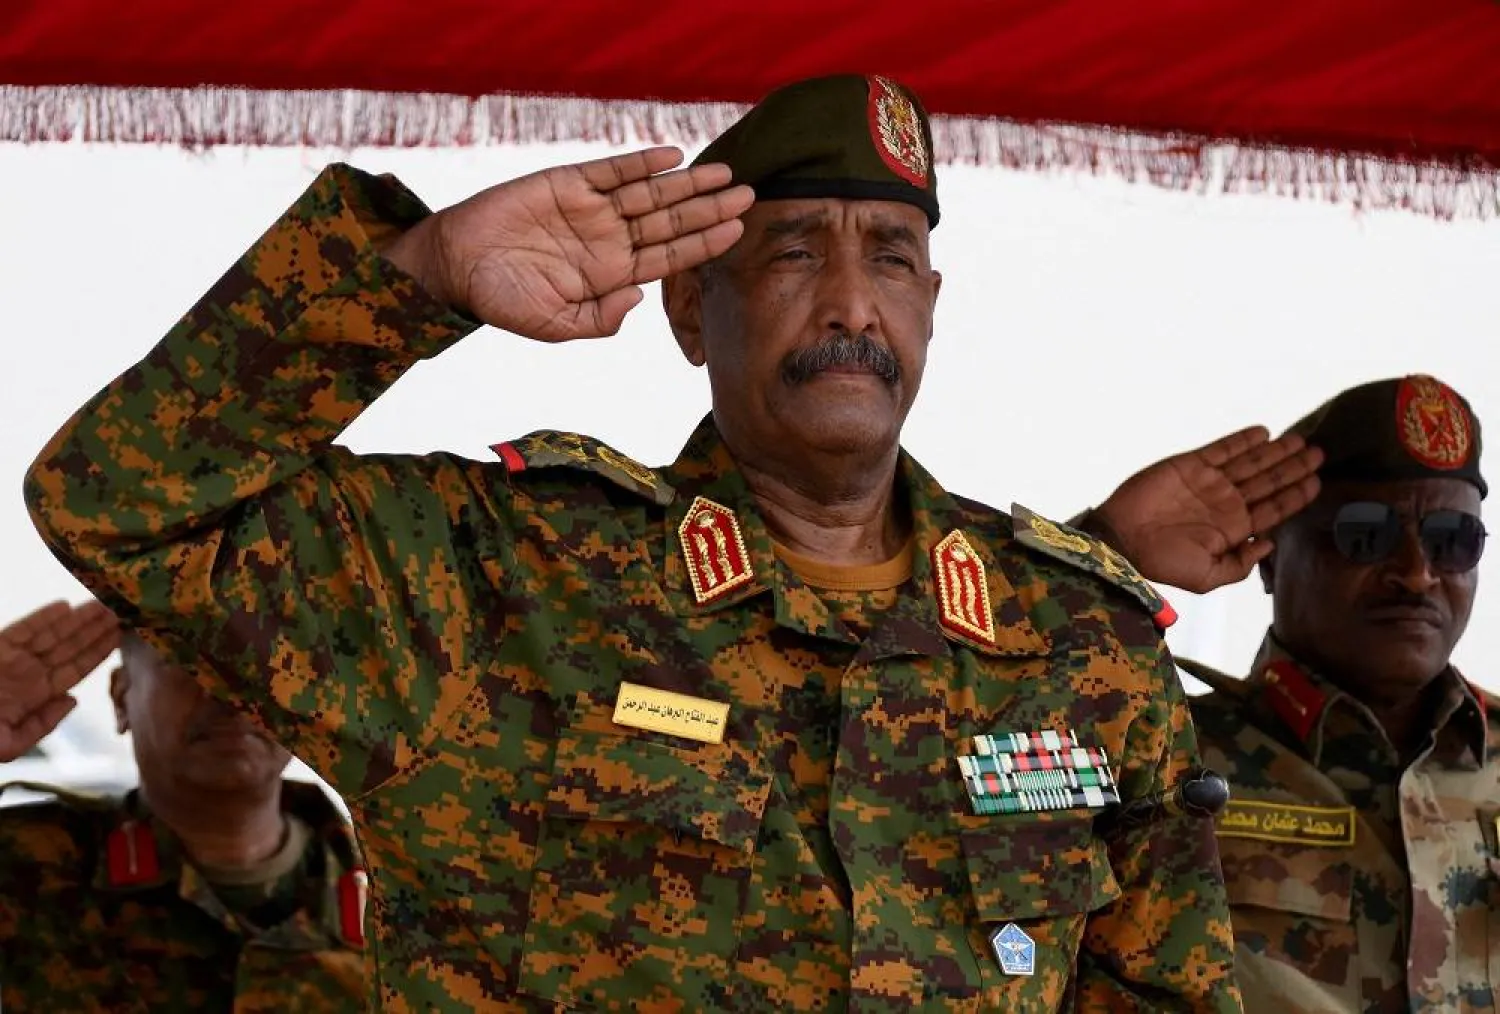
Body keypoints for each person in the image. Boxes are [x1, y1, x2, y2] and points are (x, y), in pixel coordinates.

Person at [25, 73, 1254, 1010]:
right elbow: (121, 503)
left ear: (930, 307)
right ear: (687, 309)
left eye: (891, 259)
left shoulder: (1080, 647)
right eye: (792, 252)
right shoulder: (499, 576)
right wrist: (417, 277)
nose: (849, 303)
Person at [1088, 374, 1497, 1012]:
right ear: (1271, 558)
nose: (1417, 574)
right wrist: (1101, 546)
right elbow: (945, 727)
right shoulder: (1154, 755)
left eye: (1453, 540)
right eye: (1366, 535)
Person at [0, 601, 367, 1012]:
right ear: (121, 698)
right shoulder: (25, 871)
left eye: (262, 664)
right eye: (191, 659)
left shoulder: (402, 901)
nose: (231, 692)